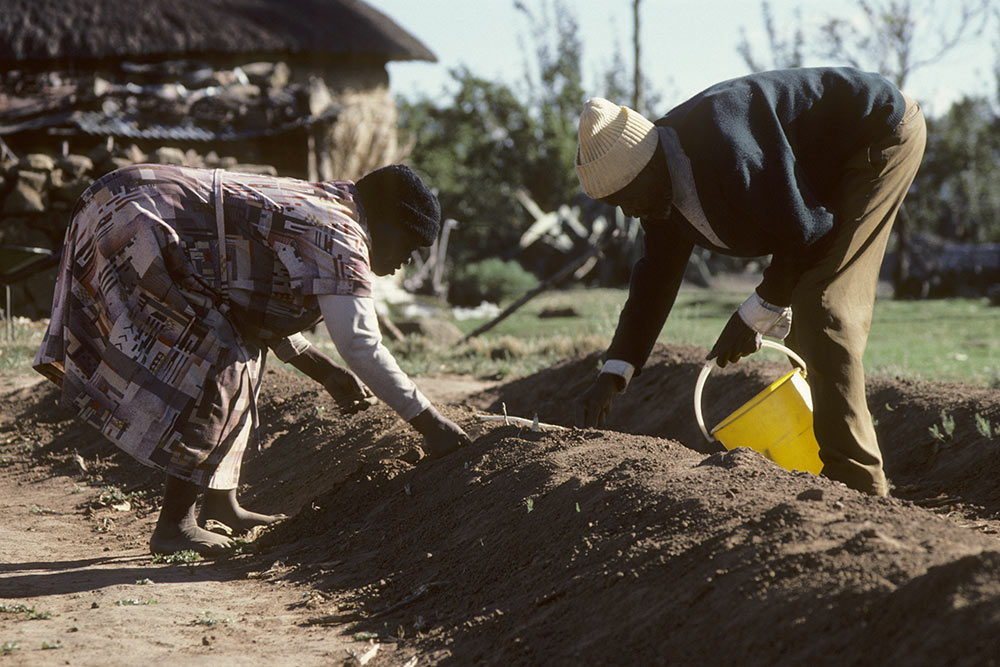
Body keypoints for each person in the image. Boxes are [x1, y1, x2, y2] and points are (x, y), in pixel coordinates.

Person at [34, 163, 471, 555]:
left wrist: (323, 371)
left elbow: (251, 300)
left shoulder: (331, 210)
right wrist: (429, 424)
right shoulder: (342, 236)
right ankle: (175, 526)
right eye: (408, 247)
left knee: (237, 345)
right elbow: (360, 343)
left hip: (123, 201)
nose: (404, 264)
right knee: (219, 359)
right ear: (389, 224)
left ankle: (221, 503)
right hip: (137, 218)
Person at [573, 67, 926, 497]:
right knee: (800, 318)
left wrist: (757, 311)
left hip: (876, 134)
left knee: (823, 305)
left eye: (625, 199)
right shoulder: (657, 194)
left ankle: (858, 482)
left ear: (647, 168)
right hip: (822, 175)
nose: (628, 213)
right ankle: (822, 456)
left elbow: (806, 230)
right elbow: (655, 279)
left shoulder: (723, 143)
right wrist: (615, 370)